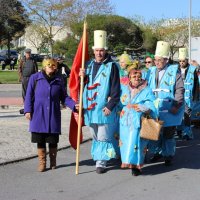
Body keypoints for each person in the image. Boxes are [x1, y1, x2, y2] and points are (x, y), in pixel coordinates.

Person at [24, 58, 77, 172]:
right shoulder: (35, 78)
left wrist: (74, 105)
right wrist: (27, 110)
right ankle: (42, 163)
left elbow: (64, 97)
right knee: (40, 139)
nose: (51, 67)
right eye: (49, 65)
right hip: (38, 113)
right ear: (44, 66)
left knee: (53, 139)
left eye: (54, 65)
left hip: (53, 113)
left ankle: (53, 161)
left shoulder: (59, 79)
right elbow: (29, 95)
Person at [80, 30, 120, 174]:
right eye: (97, 50)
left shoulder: (112, 66)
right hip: (91, 109)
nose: (99, 53)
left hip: (104, 108)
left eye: (101, 50)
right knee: (95, 135)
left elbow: (116, 88)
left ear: (105, 51)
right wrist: (82, 77)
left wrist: (110, 105)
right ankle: (106, 155)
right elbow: (83, 85)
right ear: (94, 51)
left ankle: (101, 162)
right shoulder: (89, 65)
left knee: (103, 136)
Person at [146, 41, 185, 166]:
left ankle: (168, 155)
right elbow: (145, 88)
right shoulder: (150, 71)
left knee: (168, 133)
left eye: (159, 60)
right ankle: (157, 153)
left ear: (166, 60)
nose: (156, 62)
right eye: (155, 60)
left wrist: (176, 105)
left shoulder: (174, 71)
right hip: (154, 108)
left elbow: (179, 89)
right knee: (153, 132)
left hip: (169, 108)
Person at [119, 62, 157, 176]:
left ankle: (136, 166)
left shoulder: (146, 90)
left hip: (139, 120)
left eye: (139, 77)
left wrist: (144, 107)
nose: (137, 79)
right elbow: (118, 102)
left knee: (138, 143)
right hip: (125, 121)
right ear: (129, 78)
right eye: (134, 77)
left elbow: (152, 103)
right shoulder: (124, 88)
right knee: (126, 143)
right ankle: (128, 162)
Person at [176, 48, 199, 140]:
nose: (181, 63)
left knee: (187, 115)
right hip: (178, 96)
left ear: (187, 60)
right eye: (180, 61)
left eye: (183, 61)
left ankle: (187, 132)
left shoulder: (193, 69)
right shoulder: (175, 70)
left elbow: (197, 84)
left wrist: (195, 96)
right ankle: (179, 130)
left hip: (188, 97)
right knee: (178, 114)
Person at [18, 49, 38, 114]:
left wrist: (36, 77)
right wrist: (21, 77)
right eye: (27, 53)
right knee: (25, 92)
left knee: (32, 92)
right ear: (25, 53)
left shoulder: (33, 60)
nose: (28, 54)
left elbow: (36, 69)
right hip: (24, 78)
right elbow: (19, 69)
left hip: (32, 78)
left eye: (29, 53)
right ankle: (25, 106)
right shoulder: (22, 60)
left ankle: (31, 105)